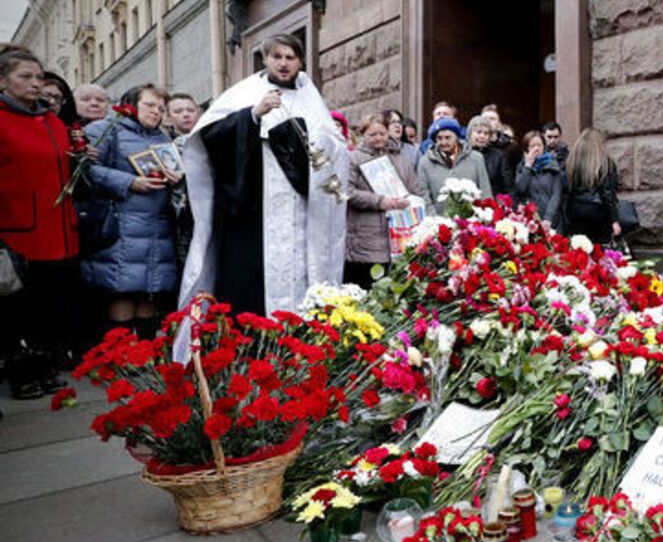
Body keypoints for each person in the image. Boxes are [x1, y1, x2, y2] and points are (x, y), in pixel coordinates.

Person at [179, 33, 347, 316]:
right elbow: (212, 138)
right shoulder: (243, 94)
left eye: (290, 57)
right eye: (276, 57)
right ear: (265, 59)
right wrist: (253, 115)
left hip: (301, 212)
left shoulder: (311, 98)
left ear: (300, 61)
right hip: (254, 214)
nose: (283, 64)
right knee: (250, 288)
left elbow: (334, 149)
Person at [0, 49, 80, 399]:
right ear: (3, 81)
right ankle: (21, 375)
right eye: (25, 77)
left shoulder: (53, 120)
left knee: (50, 306)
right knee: (19, 309)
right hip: (17, 230)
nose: (35, 84)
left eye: (38, 77)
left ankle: (45, 369)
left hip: (59, 227)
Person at [81, 84, 179, 339]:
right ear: (130, 104)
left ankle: (145, 358)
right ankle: (120, 359)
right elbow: (84, 169)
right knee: (122, 290)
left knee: (150, 292)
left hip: (157, 226)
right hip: (122, 225)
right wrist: (129, 182)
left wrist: (177, 177)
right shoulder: (104, 130)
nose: (156, 112)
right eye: (149, 105)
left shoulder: (162, 138)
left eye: (161, 108)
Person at [345, 114, 419, 288]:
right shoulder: (353, 158)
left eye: (382, 133)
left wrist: (409, 201)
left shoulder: (401, 159)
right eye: (372, 134)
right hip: (365, 239)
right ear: (363, 134)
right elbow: (347, 193)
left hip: (399, 236)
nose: (379, 138)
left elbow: (416, 190)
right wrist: (380, 201)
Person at [417, 117, 492, 212]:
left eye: (448, 138)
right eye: (439, 138)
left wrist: (485, 217)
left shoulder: (476, 158)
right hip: (438, 222)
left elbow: (485, 192)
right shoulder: (425, 162)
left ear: (456, 137)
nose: (444, 142)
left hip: (472, 222)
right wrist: (434, 220)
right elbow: (424, 195)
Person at [563, 129, 621, 246]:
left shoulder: (571, 162)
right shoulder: (605, 163)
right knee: (599, 250)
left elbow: (566, 189)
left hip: (575, 210)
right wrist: (614, 219)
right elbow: (608, 193)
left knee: (579, 250)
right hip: (597, 211)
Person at [512, 130, 564, 227]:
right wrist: (528, 167)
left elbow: (556, 194)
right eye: (532, 146)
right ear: (526, 149)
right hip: (530, 218)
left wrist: (548, 217)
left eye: (539, 145)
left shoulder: (553, 165)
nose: (536, 149)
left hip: (551, 218)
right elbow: (520, 188)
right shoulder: (522, 167)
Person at [468, 114, 515, 198]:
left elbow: (509, 186)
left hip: (492, 203)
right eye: (478, 132)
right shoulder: (463, 154)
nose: (482, 136)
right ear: (470, 134)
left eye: (486, 133)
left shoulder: (499, 156)